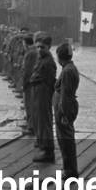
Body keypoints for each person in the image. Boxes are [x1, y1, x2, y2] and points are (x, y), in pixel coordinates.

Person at [29, 34, 57, 163]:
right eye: (38, 47)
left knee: (44, 121)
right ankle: (42, 144)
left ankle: (48, 150)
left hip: (43, 94)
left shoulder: (48, 62)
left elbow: (50, 81)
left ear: (49, 47)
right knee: (38, 120)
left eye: (43, 47)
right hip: (38, 93)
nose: (39, 50)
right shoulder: (41, 59)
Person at [54, 43, 80, 178]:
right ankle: (68, 168)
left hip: (65, 109)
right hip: (64, 108)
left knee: (66, 140)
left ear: (60, 57)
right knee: (64, 139)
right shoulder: (69, 68)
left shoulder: (67, 71)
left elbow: (65, 95)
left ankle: (70, 170)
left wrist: (64, 113)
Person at [19, 33, 38, 136]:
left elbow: (27, 70)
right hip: (32, 82)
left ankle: (31, 127)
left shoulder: (30, 53)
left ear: (25, 43)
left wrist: (24, 83)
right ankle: (31, 125)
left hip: (29, 83)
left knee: (29, 105)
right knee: (31, 105)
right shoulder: (34, 51)